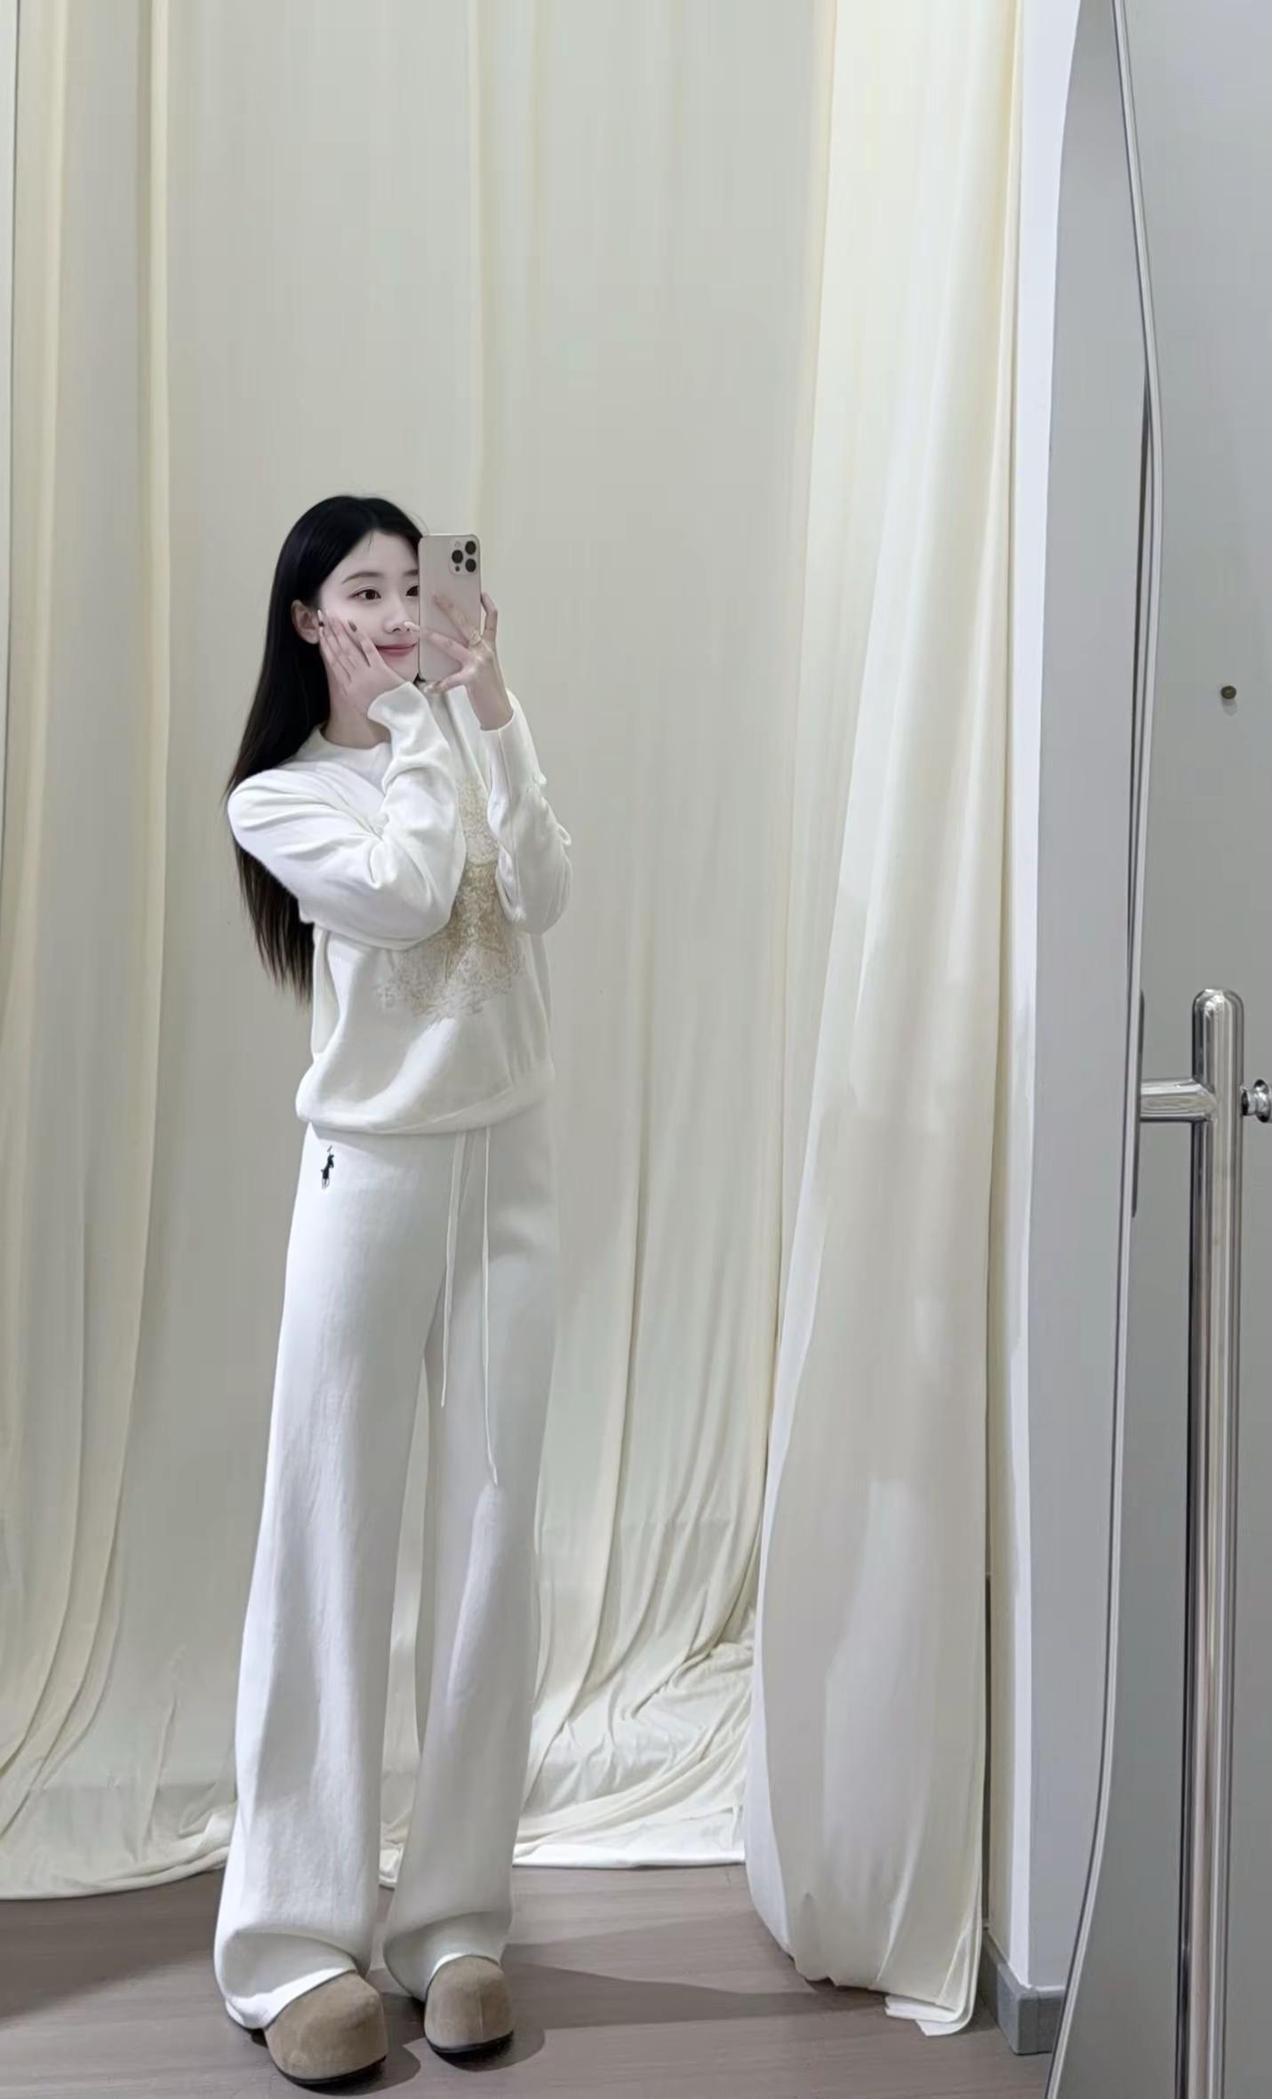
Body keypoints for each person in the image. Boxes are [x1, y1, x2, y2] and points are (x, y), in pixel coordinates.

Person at [213, 493, 572, 2086]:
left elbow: (541, 887)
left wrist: (495, 708)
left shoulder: (461, 736)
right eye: (365, 591)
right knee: (331, 1537)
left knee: (495, 1540)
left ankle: (456, 1921)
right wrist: (429, 724)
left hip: (511, 1177)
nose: (399, 610)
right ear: (310, 621)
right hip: (368, 1180)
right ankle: (292, 1940)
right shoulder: (282, 796)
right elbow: (416, 892)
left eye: (415, 585)